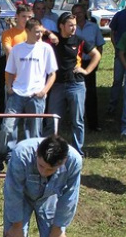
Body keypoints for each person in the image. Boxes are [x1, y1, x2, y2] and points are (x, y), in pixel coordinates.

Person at [0, 135, 81, 237]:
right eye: (41, 166)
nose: (44, 172)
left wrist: (58, 228)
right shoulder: (21, 153)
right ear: (37, 153)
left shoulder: (74, 160)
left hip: (49, 198)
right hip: (21, 198)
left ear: (63, 162)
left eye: (50, 169)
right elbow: (13, 192)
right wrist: (16, 226)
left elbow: (70, 197)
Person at [0, 18, 57, 174]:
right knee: (6, 128)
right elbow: (9, 71)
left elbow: (52, 74)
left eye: (41, 31)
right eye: (36, 32)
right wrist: (9, 87)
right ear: (27, 31)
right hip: (17, 94)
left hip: (36, 95)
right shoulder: (17, 49)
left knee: (34, 132)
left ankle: (34, 164)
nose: (40, 35)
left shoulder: (46, 49)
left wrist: (44, 91)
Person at [44, 12, 101, 156]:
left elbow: (96, 55)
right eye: (70, 25)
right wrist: (49, 33)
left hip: (76, 84)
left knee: (77, 120)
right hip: (57, 84)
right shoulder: (53, 39)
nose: (73, 28)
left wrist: (86, 70)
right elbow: (35, 26)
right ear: (61, 26)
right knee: (52, 119)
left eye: (75, 25)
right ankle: (49, 148)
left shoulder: (80, 41)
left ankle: (77, 151)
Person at [71, 3, 105, 133]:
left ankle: (93, 124)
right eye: (75, 13)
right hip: (76, 64)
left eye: (79, 12)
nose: (77, 15)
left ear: (84, 12)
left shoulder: (93, 27)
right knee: (76, 93)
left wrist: (97, 62)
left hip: (90, 62)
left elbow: (100, 45)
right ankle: (77, 121)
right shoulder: (72, 28)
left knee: (91, 93)